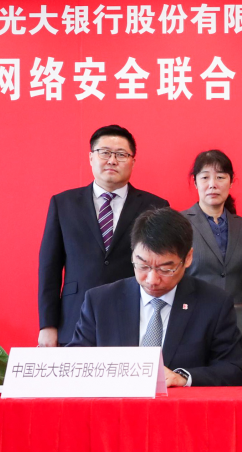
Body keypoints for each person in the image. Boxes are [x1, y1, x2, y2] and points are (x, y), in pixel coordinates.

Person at [67, 207, 242, 387]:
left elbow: (234, 370)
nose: (152, 280)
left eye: (165, 269)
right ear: (133, 254)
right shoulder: (100, 302)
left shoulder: (214, 303)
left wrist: (184, 378)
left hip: (180, 404)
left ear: (188, 258)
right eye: (143, 266)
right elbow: (73, 365)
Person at [37, 124, 169, 347]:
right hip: (75, 318)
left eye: (121, 154)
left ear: (133, 161)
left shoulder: (155, 206)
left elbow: (161, 266)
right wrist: (47, 325)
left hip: (133, 316)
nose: (112, 160)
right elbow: (49, 267)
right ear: (91, 157)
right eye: (105, 152)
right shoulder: (64, 203)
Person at [181, 148, 242, 320]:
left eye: (220, 177)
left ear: (231, 181)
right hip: (193, 320)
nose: (213, 184)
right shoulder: (179, 223)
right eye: (205, 177)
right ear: (195, 182)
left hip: (235, 323)